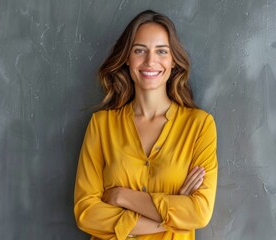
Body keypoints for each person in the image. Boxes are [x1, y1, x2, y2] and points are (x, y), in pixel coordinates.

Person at [74, 9, 218, 240]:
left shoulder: (200, 126)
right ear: (127, 60)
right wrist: (172, 212)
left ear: (173, 61)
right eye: (139, 50)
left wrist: (121, 196)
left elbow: (199, 212)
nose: (150, 61)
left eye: (161, 51)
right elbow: (86, 212)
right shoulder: (101, 125)